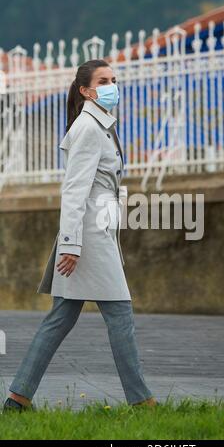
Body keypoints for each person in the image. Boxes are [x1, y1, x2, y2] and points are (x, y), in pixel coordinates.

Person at [3, 59, 157, 412]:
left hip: (95, 232)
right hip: (88, 237)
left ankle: (18, 398)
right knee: (120, 314)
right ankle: (141, 402)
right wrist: (71, 245)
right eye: (103, 80)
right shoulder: (89, 128)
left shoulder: (99, 125)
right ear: (86, 90)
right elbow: (74, 191)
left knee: (60, 318)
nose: (111, 85)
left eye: (114, 79)